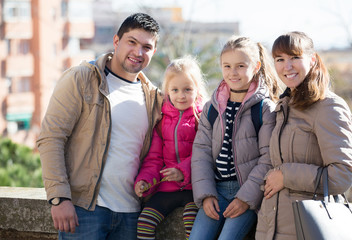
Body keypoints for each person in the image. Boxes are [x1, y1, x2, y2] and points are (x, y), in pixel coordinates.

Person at [36, 13, 163, 239]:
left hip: (132, 214)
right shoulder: (82, 78)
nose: (138, 52)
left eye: (146, 47)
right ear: (116, 41)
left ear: (153, 51)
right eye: (132, 42)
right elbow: (51, 137)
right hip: (84, 211)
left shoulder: (154, 97)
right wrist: (59, 198)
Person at [255, 31, 352, 240]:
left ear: (312, 59)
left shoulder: (329, 107)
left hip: (307, 229)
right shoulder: (284, 106)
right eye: (280, 59)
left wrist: (286, 176)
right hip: (270, 228)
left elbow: (343, 174)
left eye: (295, 57)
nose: (287, 66)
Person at [189, 36, 280, 240]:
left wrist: (246, 199)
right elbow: (201, 152)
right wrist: (206, 195)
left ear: (256, 66)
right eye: (227, 66)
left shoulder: (264, 109)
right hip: (216, 190)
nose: (233, 72)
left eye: (240, 66)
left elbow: (268, 158)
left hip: (248, 192)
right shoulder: (212, 108)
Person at [134, 56, 206, 240]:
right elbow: (154, 159)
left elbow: (205, 153)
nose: (181, 95)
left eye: (187, 89)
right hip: (166, 189)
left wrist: (183, 171)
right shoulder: (161, 121)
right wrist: (144, 181)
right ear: (167, 91)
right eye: (175, 90)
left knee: (192, 221)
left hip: (194, 188)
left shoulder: (202, 118)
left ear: (197, 90)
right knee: (144, 222)